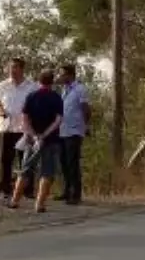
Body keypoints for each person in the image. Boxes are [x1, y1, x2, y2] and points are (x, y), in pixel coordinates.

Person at [9, 69, 64, 213]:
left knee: (25, 169)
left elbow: (25, 119)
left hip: (32, 140)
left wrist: (34, 136)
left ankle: (14, 201)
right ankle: (39, 204)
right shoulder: (56, 98)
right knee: (47, 172)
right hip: (50, 140)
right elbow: (58, 120)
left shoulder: (31, 96)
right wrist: (44, 135)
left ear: (39, 81)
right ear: (52, 82)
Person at [0, 57, 39, 203]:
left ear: (22, 69)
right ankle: (4, 189)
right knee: (6, 160)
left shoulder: (31, 86)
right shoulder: (3, 85)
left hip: (25, 129)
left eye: (16, 67)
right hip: (7, 128)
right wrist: (0, 112)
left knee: (26, 161)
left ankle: (27, 190)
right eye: (10, 67)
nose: (12, 70)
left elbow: (37, 106)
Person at [57, 64, 91, 205]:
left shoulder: (80, 89)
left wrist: (86, 125)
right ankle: (67, 190)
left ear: (70, 75)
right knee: (64, 162)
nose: (61, 77)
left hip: (74, 131)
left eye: (63, 74)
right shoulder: (64, 90)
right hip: (63, 131)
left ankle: (76, 194)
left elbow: (86, 108)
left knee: (73, 163)